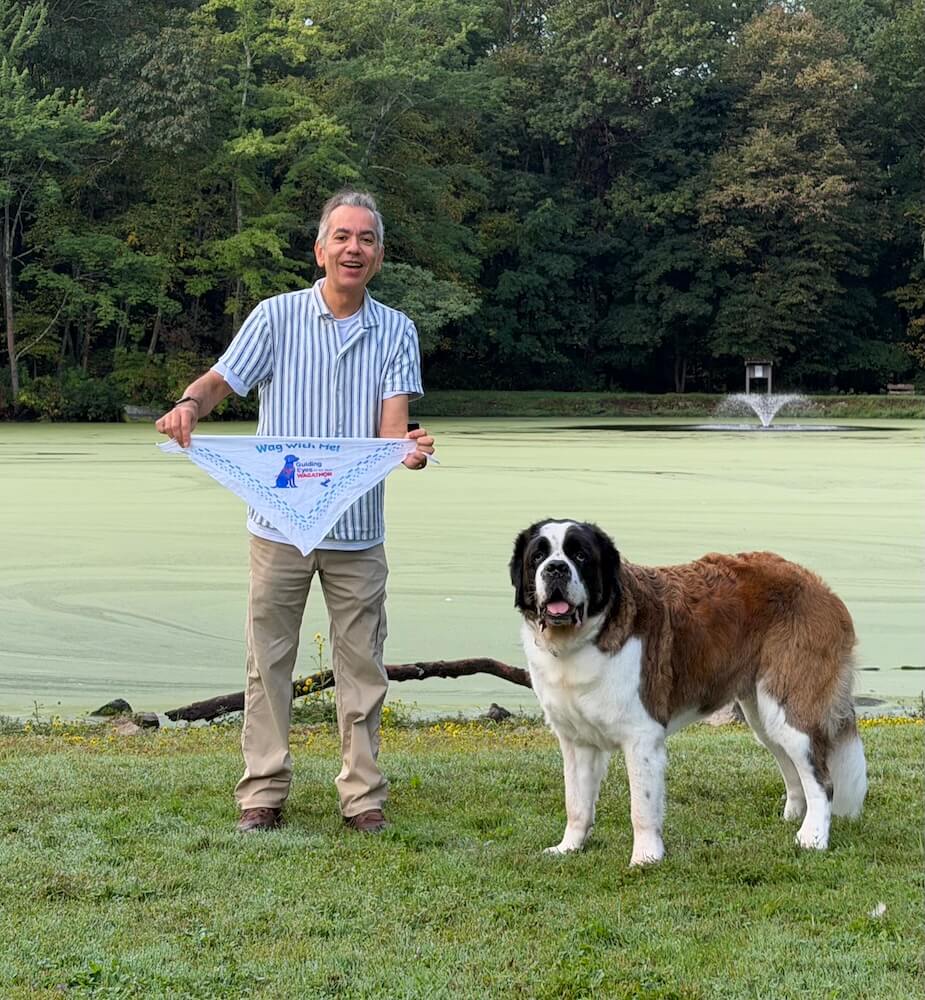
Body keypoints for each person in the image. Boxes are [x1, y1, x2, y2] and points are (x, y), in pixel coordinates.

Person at [156, 189, 434, 834]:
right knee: (267, 660)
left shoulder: (397, 330)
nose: (353, 248)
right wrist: (191, 407)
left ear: (380, 254)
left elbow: (392, 432)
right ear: (320, 249)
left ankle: (363, 799)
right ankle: (263, 792)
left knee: (361, 665)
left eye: (365, 238)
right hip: (277, 524)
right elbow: (222, 378)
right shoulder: (276, 317)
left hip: (357, 530)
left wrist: (408, 452)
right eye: (342, 236)